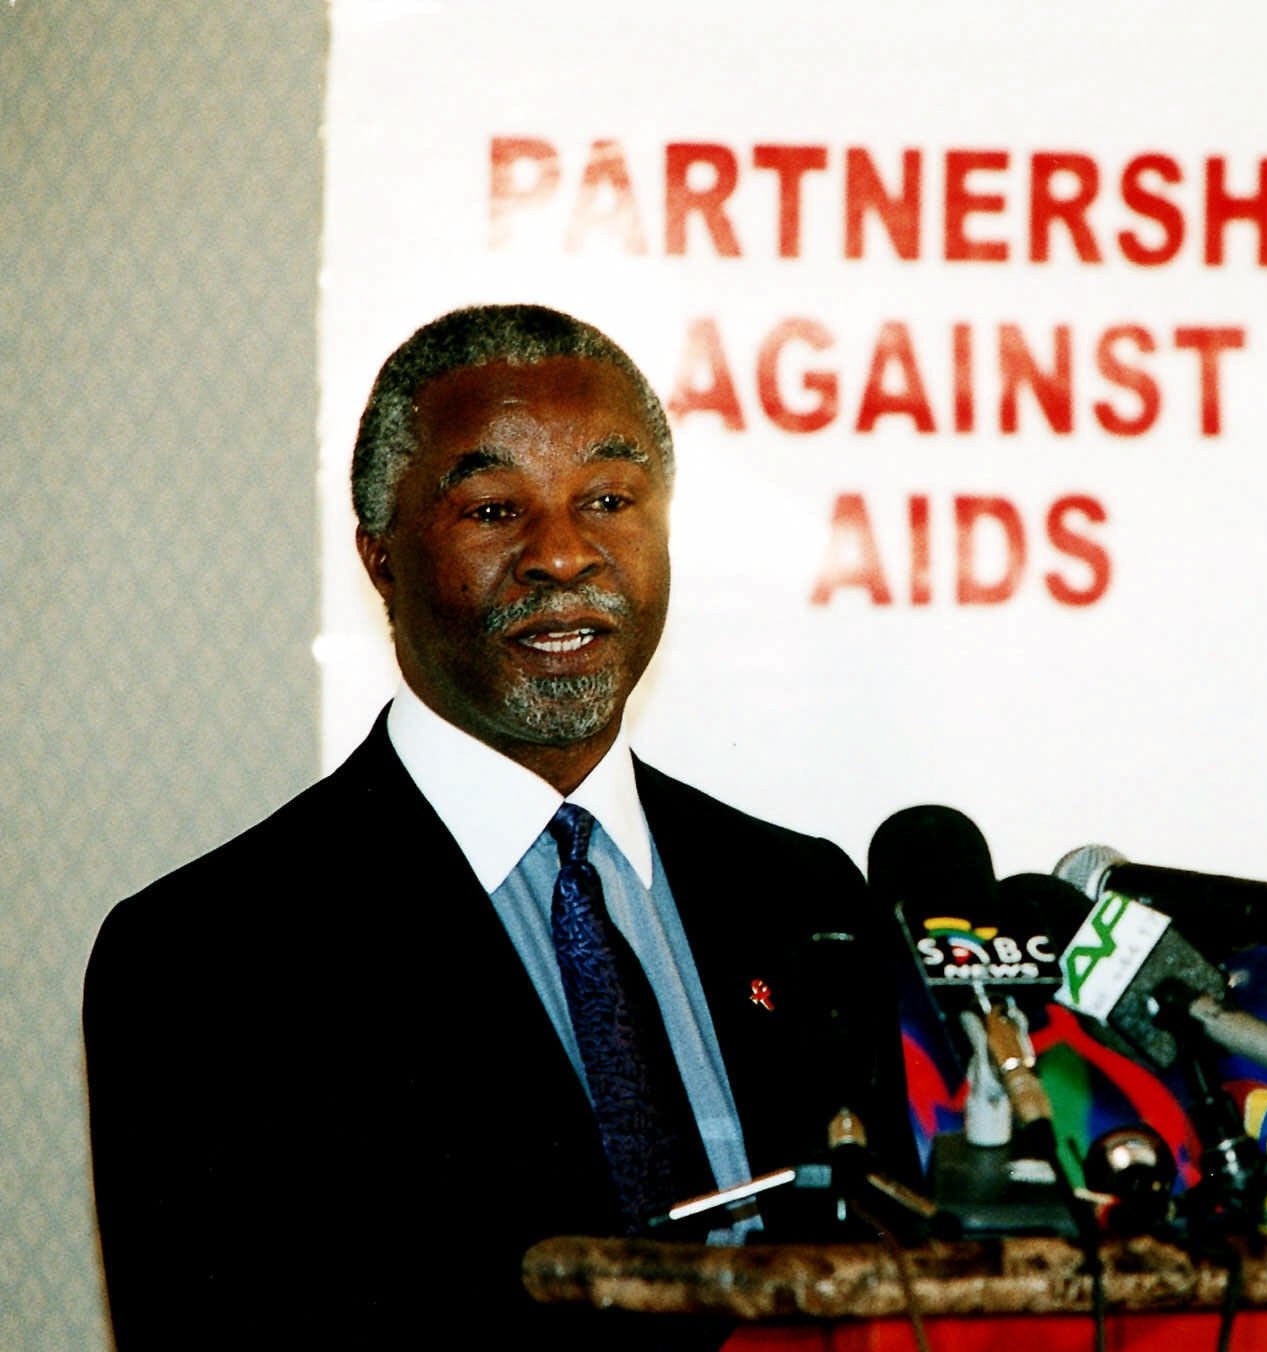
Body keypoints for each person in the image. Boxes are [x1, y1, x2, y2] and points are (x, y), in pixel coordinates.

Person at [83, 304, 916, 1349]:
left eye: (608, 500)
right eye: (492, 509)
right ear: (380, 558)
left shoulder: (803, 897)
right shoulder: (205, 956)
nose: (562, 555)